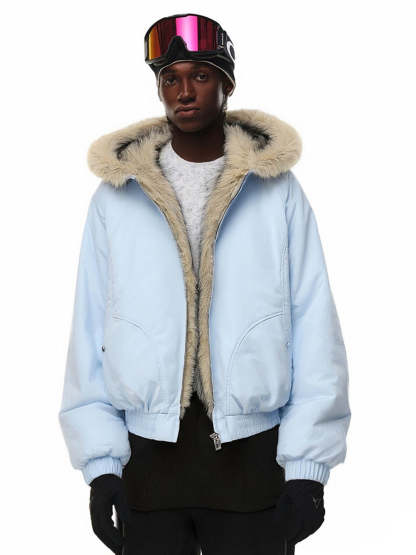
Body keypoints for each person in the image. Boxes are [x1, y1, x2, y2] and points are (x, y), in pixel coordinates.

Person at [58, 12, 351, 555]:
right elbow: (91, 329)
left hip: (252, 464)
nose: (184, 91)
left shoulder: (276, 191)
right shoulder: (117, 197)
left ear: (227, 84)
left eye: (200, 75)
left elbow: (313, 325)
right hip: (148, 466)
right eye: (170, 78)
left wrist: (308, 469)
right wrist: (101, 466)